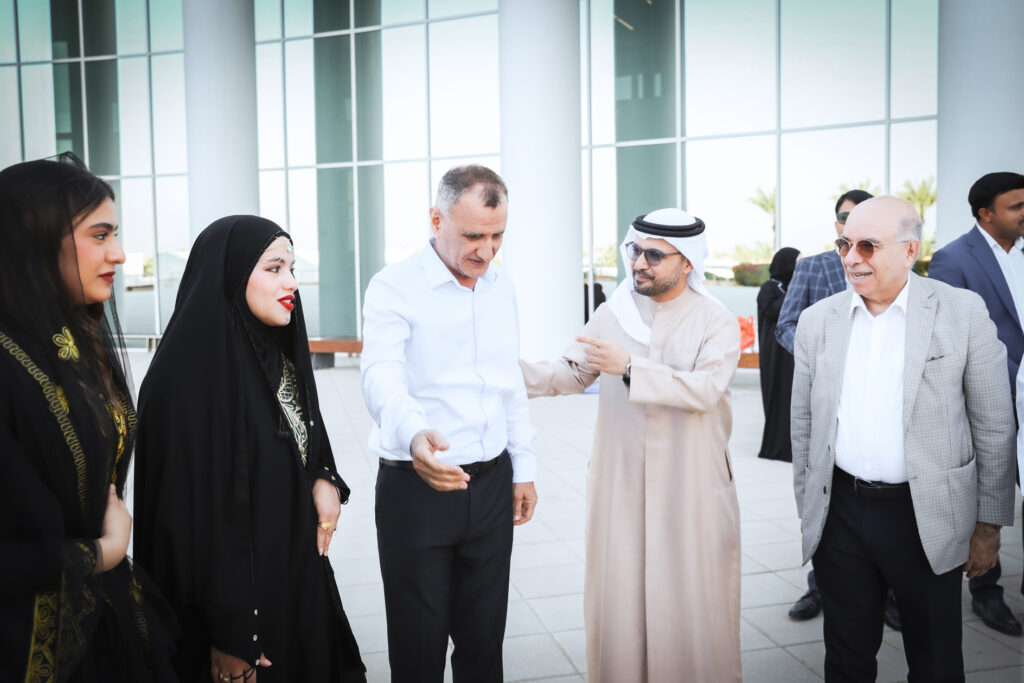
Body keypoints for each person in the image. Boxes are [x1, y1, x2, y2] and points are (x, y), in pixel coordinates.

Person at [791, 196, 1016, 680]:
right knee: (846, 657)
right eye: (845, 244)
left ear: (910, 249)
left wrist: (988, 526)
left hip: (925, 514)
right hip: (840, 515)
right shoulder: (817, 321)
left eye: (868, 246)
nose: (852, 258)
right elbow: (803, 426)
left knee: (935, 660)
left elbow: (995, 424)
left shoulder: (961, 312)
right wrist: (809, 508)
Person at [133, 216, 365, 682]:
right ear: (232, 276)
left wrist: (324, 477)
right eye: (274, 268)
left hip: (294, 579)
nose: (291, 283)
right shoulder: (183, 382)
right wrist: (231, 635)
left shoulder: (273, 355)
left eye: (292, 269)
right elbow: (187, 522)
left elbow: (305, 436)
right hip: (236, 615)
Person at [521, 208, 742, 682]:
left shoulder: (715, 322)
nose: (639, 263)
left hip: (691, 483)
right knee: (621, 598)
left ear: (688, 263)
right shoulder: (613, 313)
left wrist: (628, 367)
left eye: (654, 256)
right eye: (635, 251)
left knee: (690, 600)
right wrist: (501, 372)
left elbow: (705, 390)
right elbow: (571, 372)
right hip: (620, 482)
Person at [0, 155, 176, 681]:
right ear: (33, 241)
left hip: (103, 616)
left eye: (114, 235)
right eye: (99, 235)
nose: (118, 254)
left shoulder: (74, 342)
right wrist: (104, 552)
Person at [360, 165, 538, 682]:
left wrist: (523, 468)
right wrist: (415, 434)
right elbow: (380, 375)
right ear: (436, 220)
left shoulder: (502, 284)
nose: (488, 251)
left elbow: (508, 383)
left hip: (492, 486)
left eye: (498, 236)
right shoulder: (394, 286)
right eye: (474, 235)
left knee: (484, 646)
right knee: (418, 650)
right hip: (417, 488)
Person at [776, 189, 901, 625]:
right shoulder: (812, 266)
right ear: (837, 225)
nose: (855, 225)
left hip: (883, 404)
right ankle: (820, 587)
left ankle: (888, 595)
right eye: (847, 218)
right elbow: (786, 324)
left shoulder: (893, 267)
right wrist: (824, 358)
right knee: (828, 499)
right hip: (829, 401)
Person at [928, 171, 1024, 636]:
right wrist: (1007, 381)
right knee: (988, 490)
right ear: (986, 213)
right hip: (994, 394)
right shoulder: (953, 259)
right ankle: (987, 591)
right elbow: (951, 336)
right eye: (1017, 206)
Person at [757, 246, 800, 462]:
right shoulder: (769, 288)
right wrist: (794, 288)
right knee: (777, 394)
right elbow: (774, 311)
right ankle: (776, 446)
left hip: (790, 351)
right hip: (773, 352)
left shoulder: (793, 287)